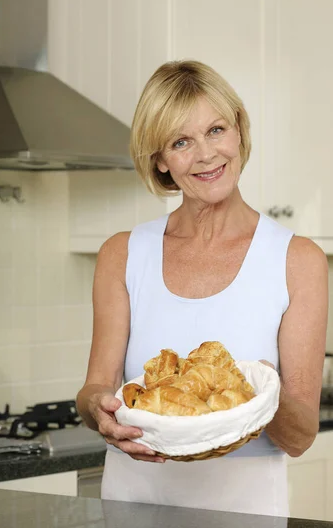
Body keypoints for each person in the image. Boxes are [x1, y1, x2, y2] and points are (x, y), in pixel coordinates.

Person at [76, 60, 328, 517]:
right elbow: (95, 387)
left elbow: (301, 437)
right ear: (160, 160)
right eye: (180, 141)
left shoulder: (298, 261)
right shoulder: (122, 254)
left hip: (245, 513)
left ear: (239, 132)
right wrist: (98, 410)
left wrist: (263, 395)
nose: (206, 154)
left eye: (215, 130)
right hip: (134, 503)